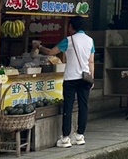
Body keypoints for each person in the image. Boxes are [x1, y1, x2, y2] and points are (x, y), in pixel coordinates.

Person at [35, 16, 95, 148]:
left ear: (72, 27)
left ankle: (65, 137)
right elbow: (91, 61)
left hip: (71, 78)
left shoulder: (69, 40)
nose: (68, 29)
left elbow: (51, 52)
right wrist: (92, 78)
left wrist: (39, 46)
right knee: (83, 106)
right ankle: (80, 136)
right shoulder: (90, 41)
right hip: (85, 78)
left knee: (68, 107)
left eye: (69, 26)